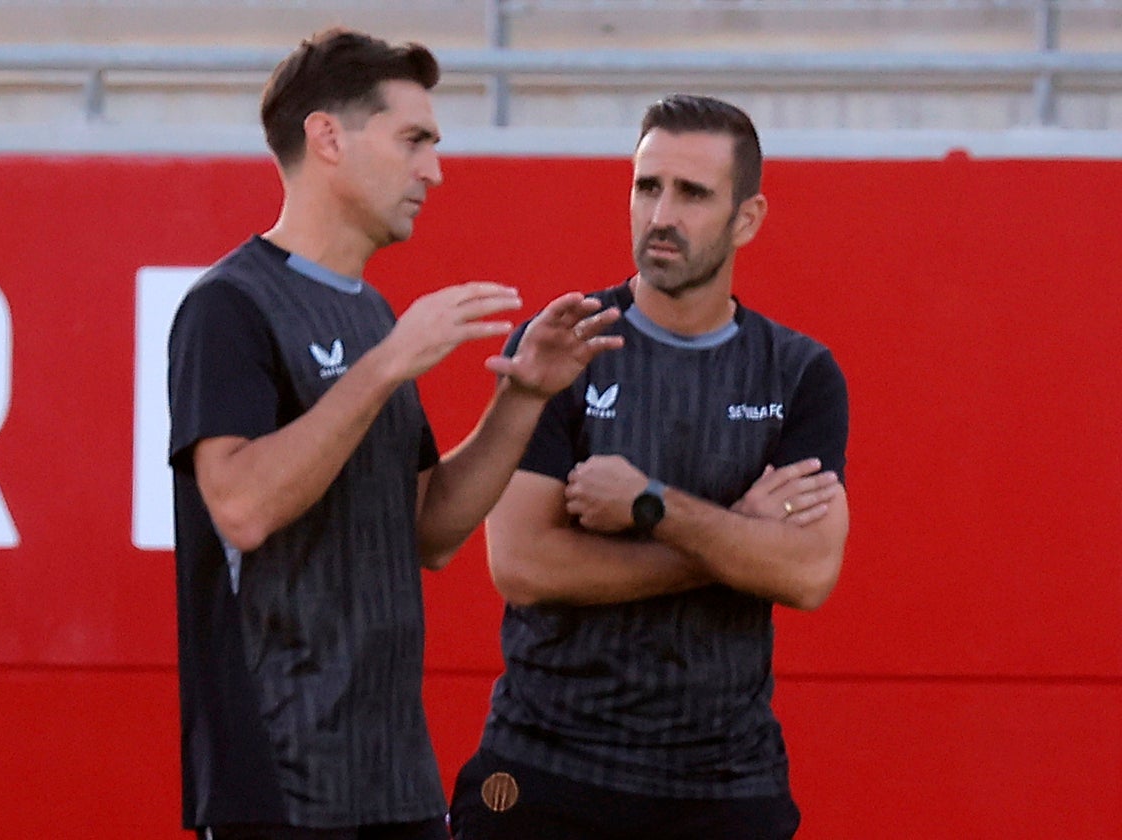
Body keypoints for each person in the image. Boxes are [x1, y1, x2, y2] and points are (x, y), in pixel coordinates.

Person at [167, 28, 622, 840]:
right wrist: (384, 366)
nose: (434, 171)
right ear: (327, 137)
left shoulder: (373, 314)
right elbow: (241, 507)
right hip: (279, 781)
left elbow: (429, 530)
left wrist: (524, 398)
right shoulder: (227, 307)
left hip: (395, 778)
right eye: (414, 140)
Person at [448, 94, 850, 840]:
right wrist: (733, 538)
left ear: (748, 218)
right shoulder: (564, 344)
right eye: (647, 186)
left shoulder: (798, 373)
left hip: (726, 785)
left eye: (692, 193)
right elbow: (524, 564)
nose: (661, 214)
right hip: (545, 770)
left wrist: (650, 504)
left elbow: (806, 573)